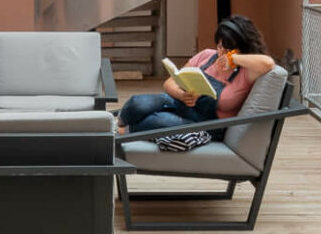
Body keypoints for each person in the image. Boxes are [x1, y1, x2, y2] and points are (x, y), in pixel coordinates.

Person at [115, 14, 275, 140]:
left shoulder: (246, 72)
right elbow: (170, 82)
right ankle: (117, 123)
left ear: (241, 48)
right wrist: (181, 95)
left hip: (206, 125)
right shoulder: (206, 55)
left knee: (159, 121)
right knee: (138, 103)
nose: (221, 53)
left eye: (228, 50)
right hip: (180, 104)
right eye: (219, 47)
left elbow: (268, 63)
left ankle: (123, 132)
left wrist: (232, 59)